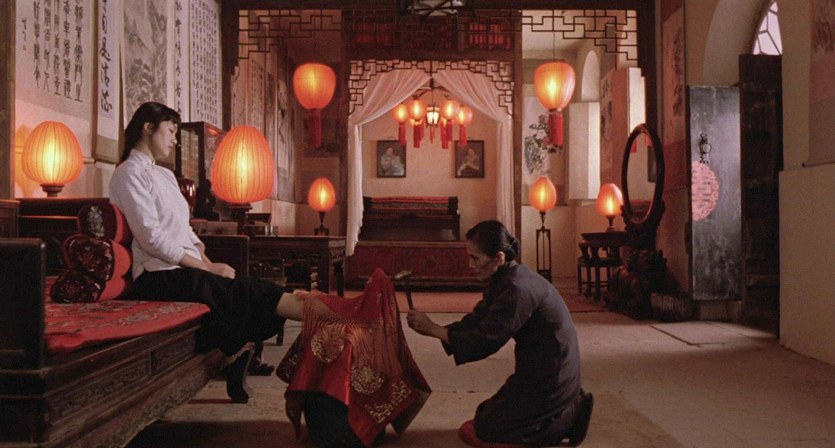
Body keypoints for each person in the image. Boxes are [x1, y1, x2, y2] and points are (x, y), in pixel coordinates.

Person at [109, 101, 303, 356]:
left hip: (184, 270)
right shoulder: (128, 173)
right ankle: (330, 314)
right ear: (148, 128)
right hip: (158, 275)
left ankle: (329, 312)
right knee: (248, 293)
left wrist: (210, 265)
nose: (175, 140)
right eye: (171, 131)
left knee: (248, 285)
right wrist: (207, 269)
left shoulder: (165, 175)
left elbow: (185, 230)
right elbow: (151, 238)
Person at [406, 220, 592, 447]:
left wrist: (433, 329)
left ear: (499, 258)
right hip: (535, 370)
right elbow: (478, 320)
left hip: (552, 375)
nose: (471, 265)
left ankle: (569, 416)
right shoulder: (505, 277)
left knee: (488, 429)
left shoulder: (516, 288)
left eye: (475, 258)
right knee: (485, 414)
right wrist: (437, 329)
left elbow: (487, 339)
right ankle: (563, 410)